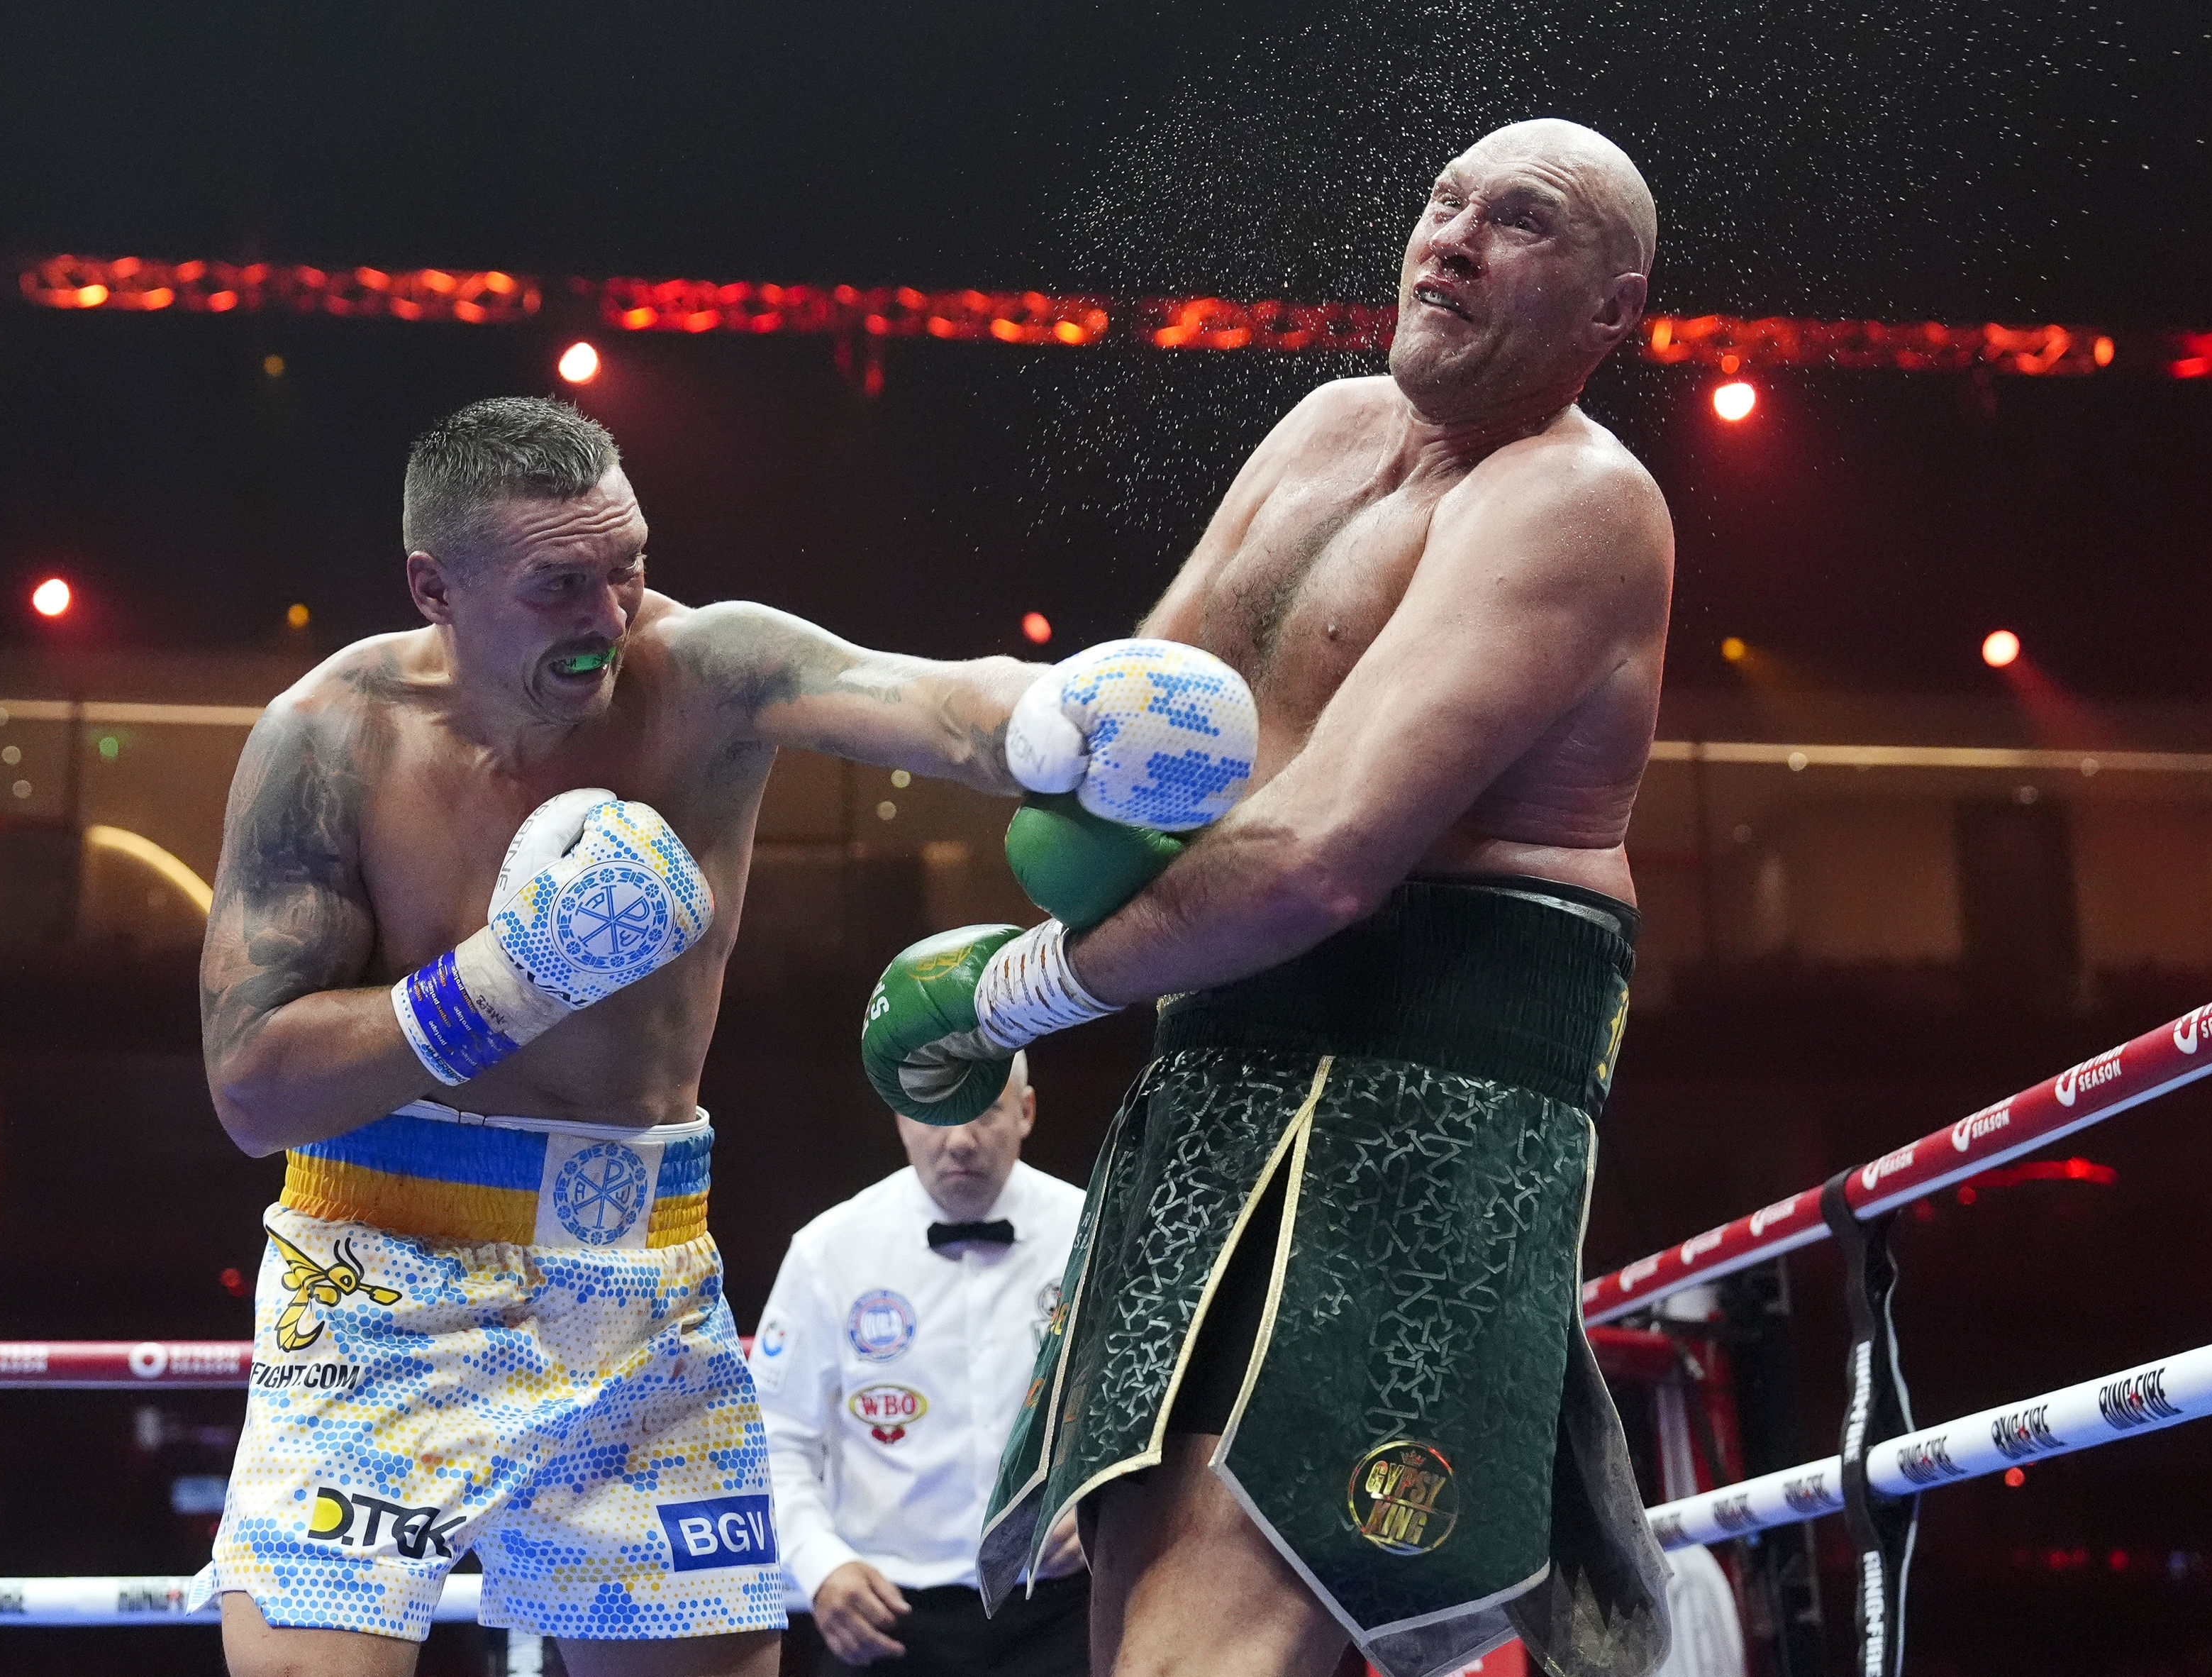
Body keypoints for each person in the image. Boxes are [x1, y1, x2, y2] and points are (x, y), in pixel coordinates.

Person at [189, 396, 1247, 1677]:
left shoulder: (714, 670)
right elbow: (253, 1087)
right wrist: (506, 981)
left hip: (637, 1273)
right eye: (559, 583)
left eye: (628, 565)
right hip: (377, 1271)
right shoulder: (330, 736)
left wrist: (1064, 721)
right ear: (434, 587)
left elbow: (923, 699)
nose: (609, 616)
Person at [861, 119, 1678, 1677]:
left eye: (1518, 222)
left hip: (1423, 1095)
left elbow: (1319, 856)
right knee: (1138, 1626)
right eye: (1443, 203)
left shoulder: (1574, 502)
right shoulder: (1320, 433)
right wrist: (860, 702)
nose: (1451, 238)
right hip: (1219, 1066)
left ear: (1609, 310)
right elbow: (1122, 738)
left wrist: (1013, 993)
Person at [753, 1055, 1089, 1677]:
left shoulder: (1093, 1232)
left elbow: (1153, 1411)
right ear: (902, 1117)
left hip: (1063, 1605)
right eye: (937, 1115)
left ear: (1026, 1111)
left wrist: (1103, 1503)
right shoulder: (828, 1251)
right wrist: (819, 1564)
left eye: (985, 1111)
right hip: (886, 1613)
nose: (959, 1141)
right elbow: (773, 1436)